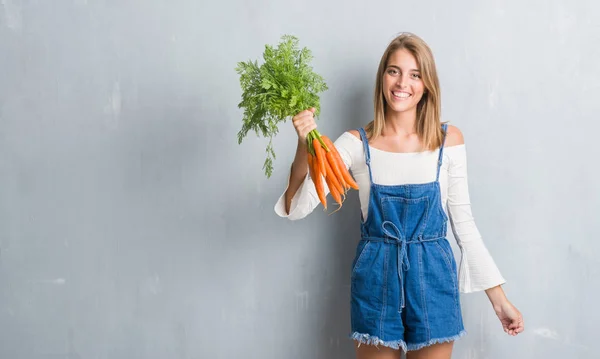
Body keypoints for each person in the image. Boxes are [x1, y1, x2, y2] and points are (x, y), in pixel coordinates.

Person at [274, 32, 524, 359]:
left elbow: (464, 226)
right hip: (376, 278)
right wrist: (305, 144)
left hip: (433, 277)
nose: (402, 82)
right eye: (394, 71)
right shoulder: (354, 143)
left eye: (414, 74)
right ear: (382, 78)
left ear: (426, 85)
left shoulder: (448, 141)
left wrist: (499, 299)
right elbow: (295, 207)